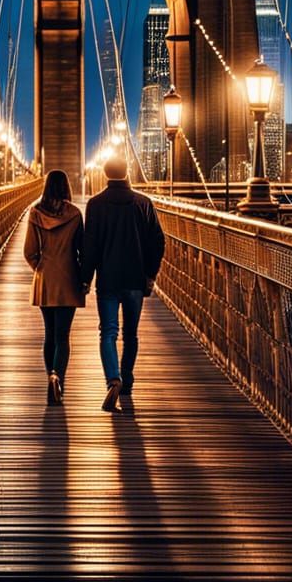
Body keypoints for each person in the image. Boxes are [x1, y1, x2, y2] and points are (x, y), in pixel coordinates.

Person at [82, 155, 165, 412]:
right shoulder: (144, 203)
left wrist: (85, 278)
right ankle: (127, 380)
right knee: (131, 334)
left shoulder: (95, 205)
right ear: (128, 171)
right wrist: (150, 274)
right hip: (134, 280)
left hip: (107, 279)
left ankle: (113, 379)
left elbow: (90, 246)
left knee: (107, 332)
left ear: (105, 173)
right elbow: (158, 242)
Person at [23, 169, 85, 405]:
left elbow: (29, 252)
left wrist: (41, 267)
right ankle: (59, 379)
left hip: (46, 280)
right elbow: (83, 250)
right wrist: (83, 275)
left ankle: (51, 376)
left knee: (49, 334)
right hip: (69, 279)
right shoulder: (75, 214)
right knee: (63, 335)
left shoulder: (35, 213)